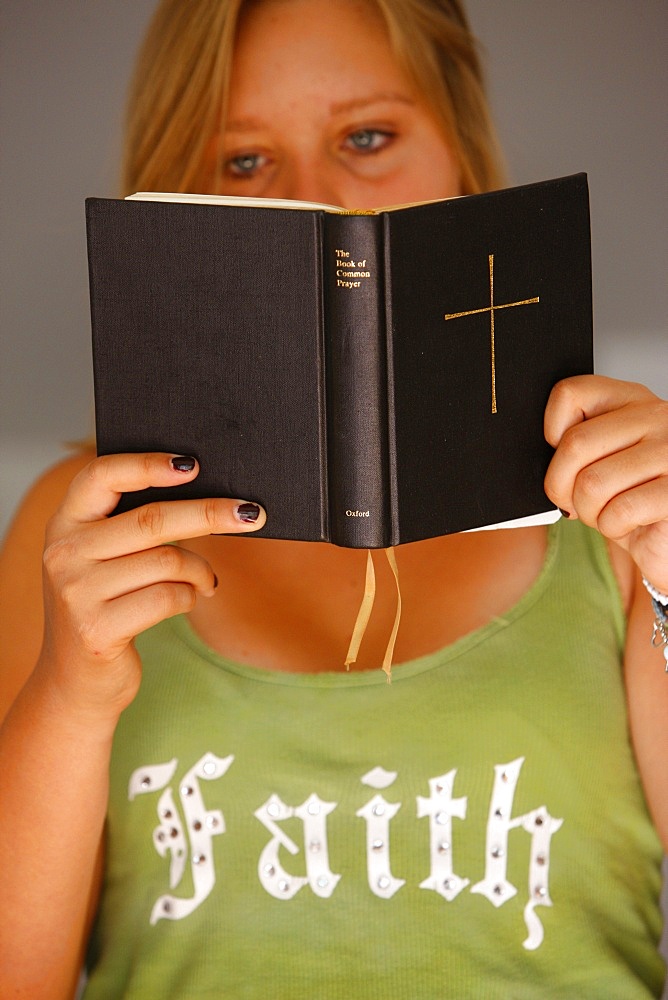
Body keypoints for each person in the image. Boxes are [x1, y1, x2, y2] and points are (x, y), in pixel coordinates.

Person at [1, 0, 667, 996]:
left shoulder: (613, 529)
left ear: (461, 153)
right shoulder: (83, 529)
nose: (308, 201)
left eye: (366, 136)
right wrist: (69, 692)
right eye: (240, 161)